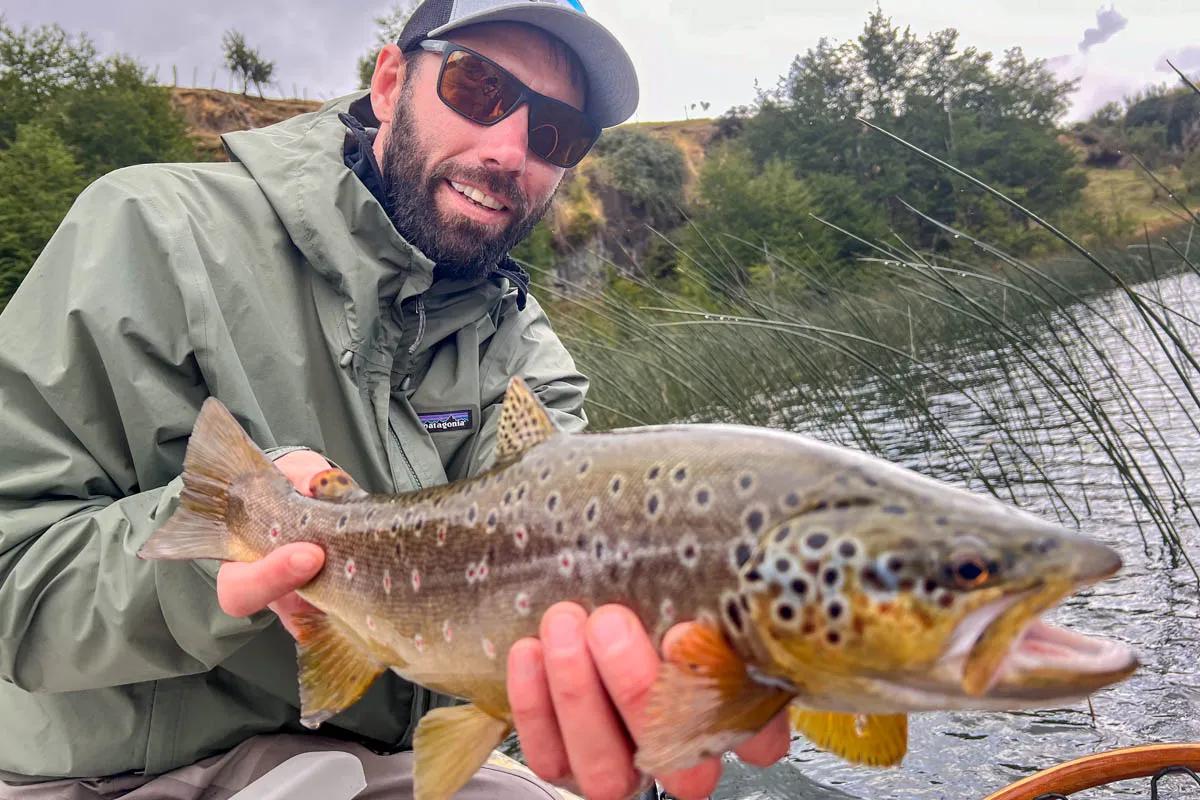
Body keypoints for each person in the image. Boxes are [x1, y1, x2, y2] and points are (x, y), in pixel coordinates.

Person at [0, 1, 788, 798]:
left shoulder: (524, 350)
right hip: (114, 775)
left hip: (389, 766)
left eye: (556, 133)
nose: (509, 148)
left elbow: (550, 554)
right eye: (478, 88)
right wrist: (222, 553)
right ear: (387, 83)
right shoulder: (150, 231)